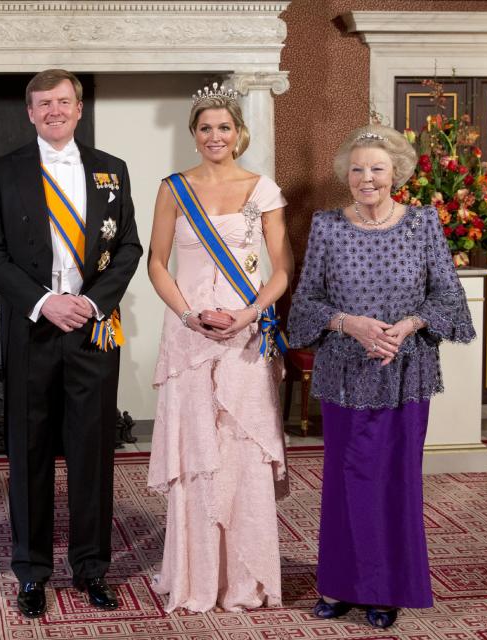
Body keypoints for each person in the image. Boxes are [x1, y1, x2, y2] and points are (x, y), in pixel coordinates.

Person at [288, 124, 475, 629]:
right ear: (345, 175)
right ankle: (340, 584)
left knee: (395, 481)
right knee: (347, 481)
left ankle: (386, 589)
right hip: (346, 374)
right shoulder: (327, 225)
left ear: (397, 173)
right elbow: (304, 307)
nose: (366, 178)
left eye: (376, 168)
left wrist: (408, 326)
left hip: (405, 371)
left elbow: (450, 300)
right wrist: (350, 324)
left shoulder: (422, 223)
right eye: (357, 169)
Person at [0, 69, 142, 618]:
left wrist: (92, 303)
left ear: (78, 108)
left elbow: (128, 250)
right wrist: (45, 301)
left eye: (63, 101)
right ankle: (32, 570)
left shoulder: (111, 170)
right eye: (43, 103)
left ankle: (92, 568)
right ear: (30, 112)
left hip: (93, 329)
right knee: (29, 454)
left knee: (93, 454)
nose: (54, 110)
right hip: (32, 330)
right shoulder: (4, 172)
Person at [145, 84, 293, 613]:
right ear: (194, 133)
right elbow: (156, 263)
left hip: (246, 336)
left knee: (241, 447)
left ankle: (246, 577)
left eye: (224, 127)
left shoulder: (263, 190)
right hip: (189, 336)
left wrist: (249, 314)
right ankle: (195, 574)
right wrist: (188, 315)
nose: (215, 136)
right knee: (198, 452)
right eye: (205, 128)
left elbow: (281, 269)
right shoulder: (172, 188)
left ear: (238, 133)